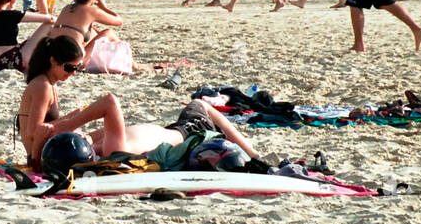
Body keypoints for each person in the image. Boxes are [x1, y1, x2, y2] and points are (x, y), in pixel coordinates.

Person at [16, 35, 262, 168]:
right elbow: (37, 131)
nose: (73, 73)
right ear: (53, 61)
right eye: (70, 68)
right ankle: (254, 154)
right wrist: (38, 156)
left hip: (173, 132)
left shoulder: (99, 147)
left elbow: (50, 132)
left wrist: (76, 127)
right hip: (187, 131)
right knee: (201, 105)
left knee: (201, 106)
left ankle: (254, 155)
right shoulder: (113, 152)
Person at [46, 0, 123, 66]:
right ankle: (131, 63)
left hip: (55, 55)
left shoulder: (67, 8)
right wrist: (103, 7)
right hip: (75, 60)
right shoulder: (92, 11)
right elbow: (119, 21)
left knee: (92, 31)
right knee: (108, 32)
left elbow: (83, 29)